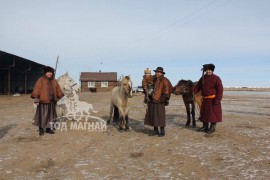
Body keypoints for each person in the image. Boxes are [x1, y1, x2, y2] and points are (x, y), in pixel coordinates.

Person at [31, 66, 64, 136]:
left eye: (50, 72)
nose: (49, 74)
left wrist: (60, 96)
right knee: (42, 116)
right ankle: (41, 129)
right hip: (43, 101)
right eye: (48, 72)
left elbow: (58, 89)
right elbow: (37, 89)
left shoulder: (54, 81)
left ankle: (48, 129)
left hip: (52, 102)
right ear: (45, 73)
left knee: (51, 116)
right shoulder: (41, 80)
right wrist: (36, 99)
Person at [193, 63, 223, 133]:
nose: (208, 71)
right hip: (205, 99)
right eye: (207, 70)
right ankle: (205, 127)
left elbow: (220, 90)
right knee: (204, 114)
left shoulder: (216, 78)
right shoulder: (203, 78)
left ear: (212, 70)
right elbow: (198, 87)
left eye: (209, 70)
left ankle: (212, 128)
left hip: (213, 99)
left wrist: (217, 99)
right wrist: (193, 91)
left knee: (213, 114)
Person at [144, 67, 172, 137]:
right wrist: (147, 74)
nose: (157, 73)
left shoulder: (165, 80)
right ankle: (155, 130)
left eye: (159, 72)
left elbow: (167, 90)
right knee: (153, 116)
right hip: (151, 100)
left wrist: (162, 99)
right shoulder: (153, 78)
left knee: (160, 116)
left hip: (159, 101)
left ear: (162, 73)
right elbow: (146, 80)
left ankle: (162, 131)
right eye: (156, 72)